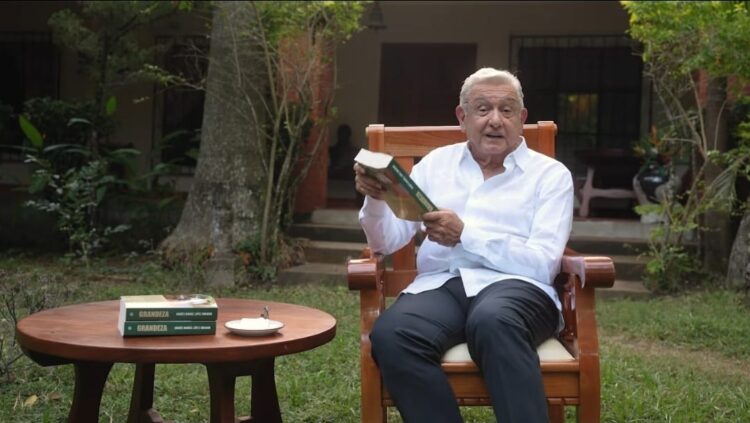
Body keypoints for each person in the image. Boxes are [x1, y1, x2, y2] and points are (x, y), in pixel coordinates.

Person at [353, 67, 574, 423]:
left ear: (521, 118)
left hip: (519, 287)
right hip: (442, 286)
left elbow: (543, 263)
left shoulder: (550, 175)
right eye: (483, 109)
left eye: (506, 110)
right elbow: (386, 241)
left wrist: (465, 236)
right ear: (462, 117)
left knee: (493, 320)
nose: (495, 120)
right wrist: (376, 199)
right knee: (393, 334)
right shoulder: (436, 165)